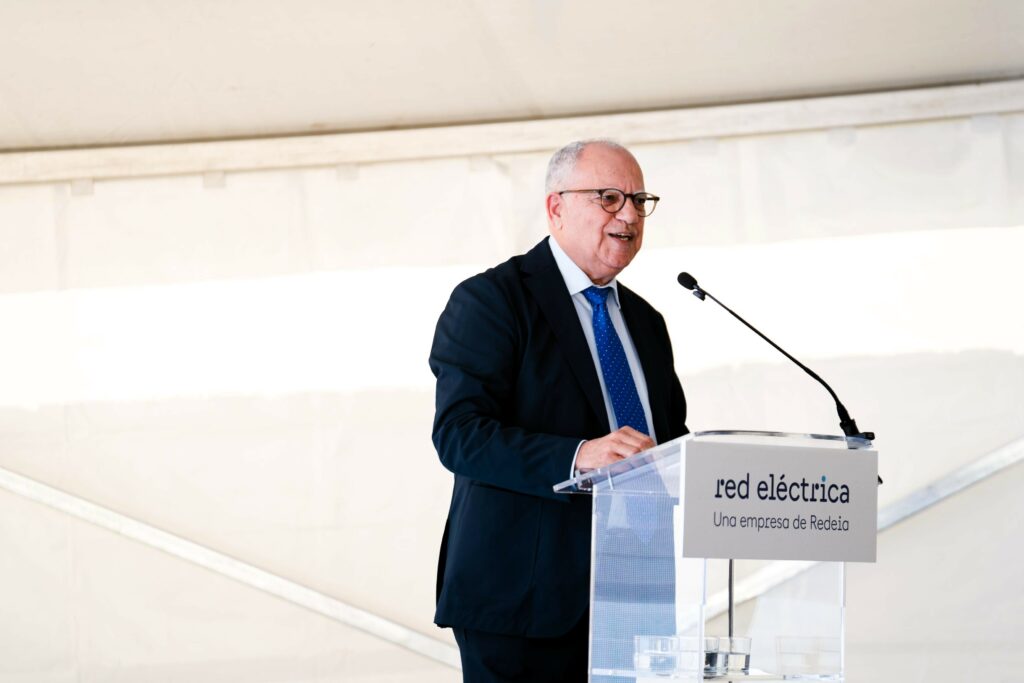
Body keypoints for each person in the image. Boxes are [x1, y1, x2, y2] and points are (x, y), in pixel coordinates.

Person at [429, 140, 688, 682]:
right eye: (610, 198)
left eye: (639, 201)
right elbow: (460, 435)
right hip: (525, 604)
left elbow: (670, 444)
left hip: (635, 600)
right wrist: (578, 456)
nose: (630, 215)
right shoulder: (492, 300)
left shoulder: (646, 322)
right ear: (556, 207)